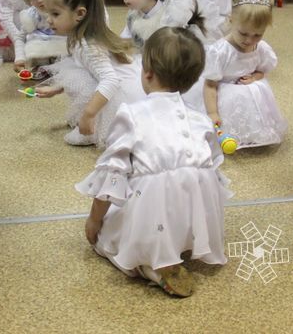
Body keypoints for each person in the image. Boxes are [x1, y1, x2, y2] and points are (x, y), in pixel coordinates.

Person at [75, 27, 231, 297]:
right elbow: (213, 168)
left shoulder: (131, 115)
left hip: (154, 206)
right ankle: (181, 245)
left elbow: (113, 176)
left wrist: (94, 220)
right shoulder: (200, 118)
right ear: (192, 80)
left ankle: (152, 266)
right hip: (195, 206)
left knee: (107, 240)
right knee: (183, 185)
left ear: (147, 74)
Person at [34, 0, 144, 147]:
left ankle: (93, 128)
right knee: (76, 73)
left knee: (85, 81)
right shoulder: (78, 36)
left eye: (55, 14)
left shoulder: (88, 45)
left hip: (121, 94)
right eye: (48, 13)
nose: (48, 20)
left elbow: (110, 80)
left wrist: (88, 115)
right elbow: (80, 68)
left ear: (79, 14)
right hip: (109, 83)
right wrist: (58, 88)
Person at [200, 0, 287, 148]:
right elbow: (210, 85)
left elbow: (262, 71)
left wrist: (255, 77)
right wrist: (212, 113)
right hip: (222, 94)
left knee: (254, 99)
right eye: (243, 33)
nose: (249, 40)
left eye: (257, 35)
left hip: (251, 92)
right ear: (231, 20)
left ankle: (253, 134)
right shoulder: (220, 51)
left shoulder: (260, 48)